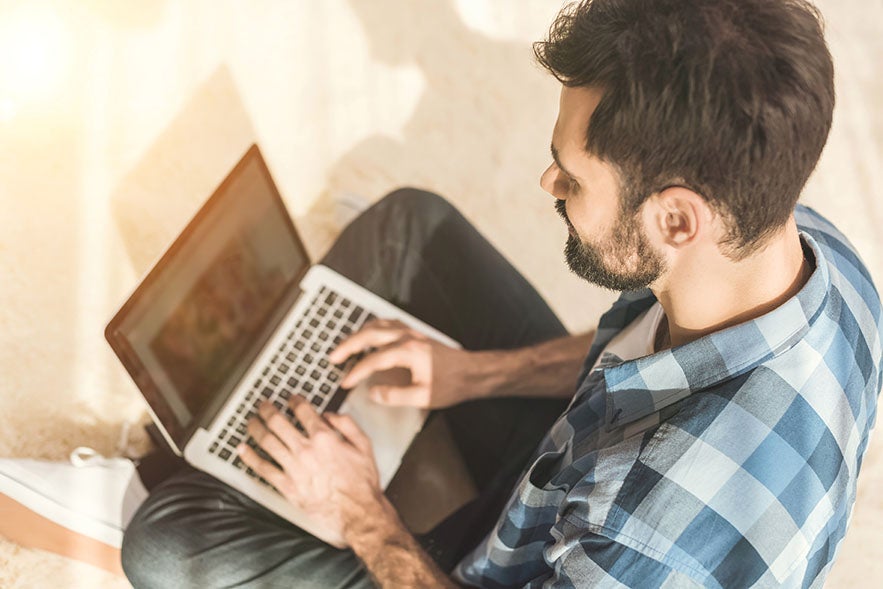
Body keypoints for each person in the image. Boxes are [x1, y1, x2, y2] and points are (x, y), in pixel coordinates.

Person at [120, 0, 882, 587]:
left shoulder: (644, 537)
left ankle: (229, 475)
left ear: (676, 218)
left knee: (163, 537)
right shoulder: (809, 249)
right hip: (570, 475)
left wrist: (361, 514)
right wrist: (472, 373)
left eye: (572, 177)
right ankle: (266, 452)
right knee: (409, 225)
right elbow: (636, 348)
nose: (545, 184)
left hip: (527, 559)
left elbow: (631, 524)